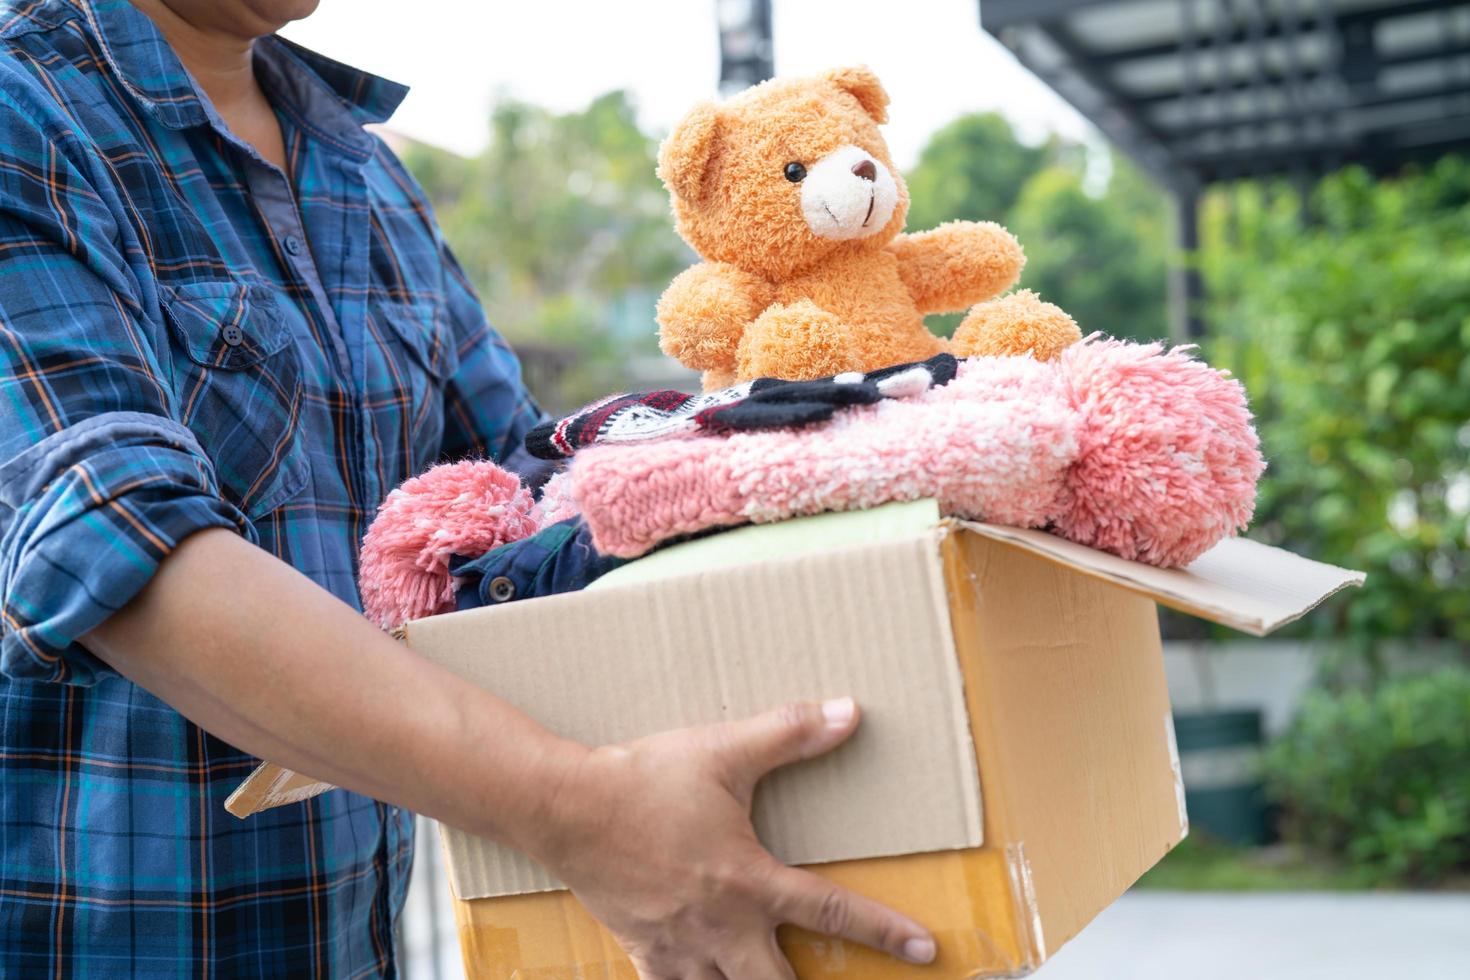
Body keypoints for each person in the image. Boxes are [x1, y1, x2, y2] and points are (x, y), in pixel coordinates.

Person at [0, 0, 938, 976]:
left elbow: (523, 481)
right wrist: (585, 813)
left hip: (347, 938)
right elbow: (117, 539)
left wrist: (804, 431)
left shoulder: (360, 170)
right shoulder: (25, 115)